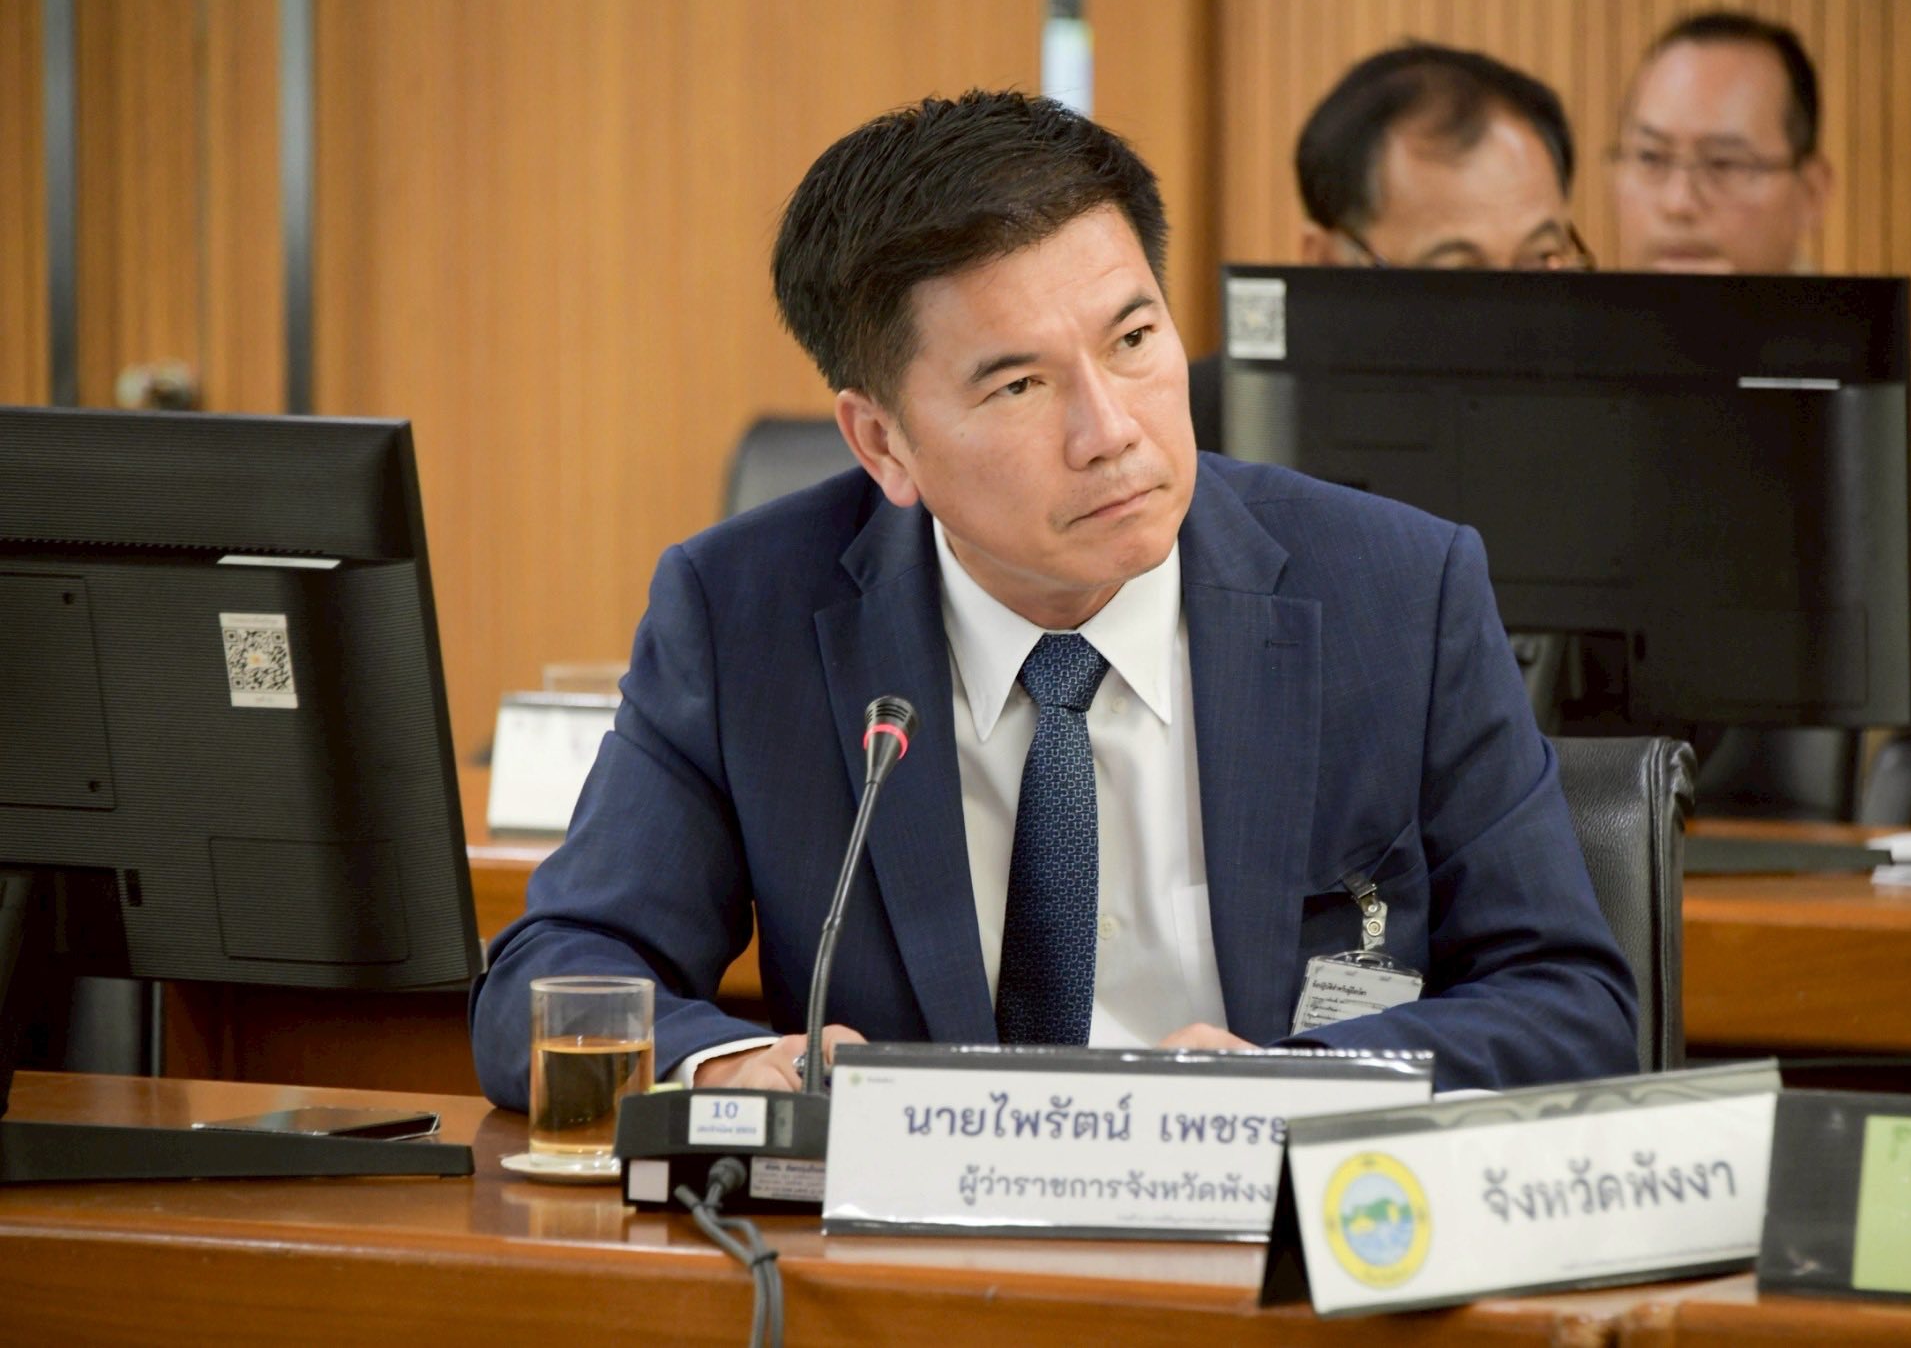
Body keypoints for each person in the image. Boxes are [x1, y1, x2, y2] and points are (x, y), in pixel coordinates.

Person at [468, 91, 1638, 1107]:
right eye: (1019, 385)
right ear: (882, 444)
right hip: (906, 1261)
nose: (1110, 430)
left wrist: (1294, 1085)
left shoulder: (1393, 593)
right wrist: (725, 1067)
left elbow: (1570, 1006)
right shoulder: (744, 617)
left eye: (1132, 338)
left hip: (1268, 1243)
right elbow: (548, 978)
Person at [1609, 9, 1911, 693]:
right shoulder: (1570, 354)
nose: (1678, 201)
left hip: (1804, 747)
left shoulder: (1903, 363)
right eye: (1650, 159)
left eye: (1725, 164)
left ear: (1812, 191)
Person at [1190, 42, 1590, 449]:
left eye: (1541, 260)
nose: (1511, 325)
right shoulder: (1198, 436)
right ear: (1326, 262)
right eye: (1458, 276)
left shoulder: (1607, 416)